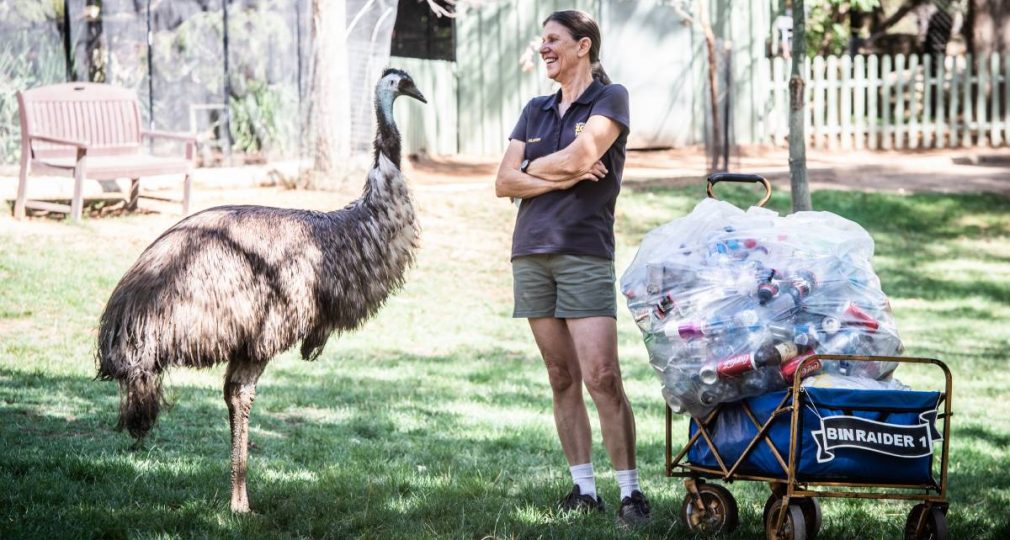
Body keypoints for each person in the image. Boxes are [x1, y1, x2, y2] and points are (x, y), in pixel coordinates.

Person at [494, 9, 650, 527]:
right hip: (531, 251)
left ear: (583, 46)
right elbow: (503, 182)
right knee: (561, 376)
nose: (544, 48)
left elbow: (585, 151)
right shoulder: (534, 109)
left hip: (584, 250)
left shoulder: (611, 97)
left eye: (553, 39)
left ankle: (630, 493)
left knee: (602, 376)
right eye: (542, 41)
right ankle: (584, 490)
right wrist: (562, 177)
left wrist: (536, 169)